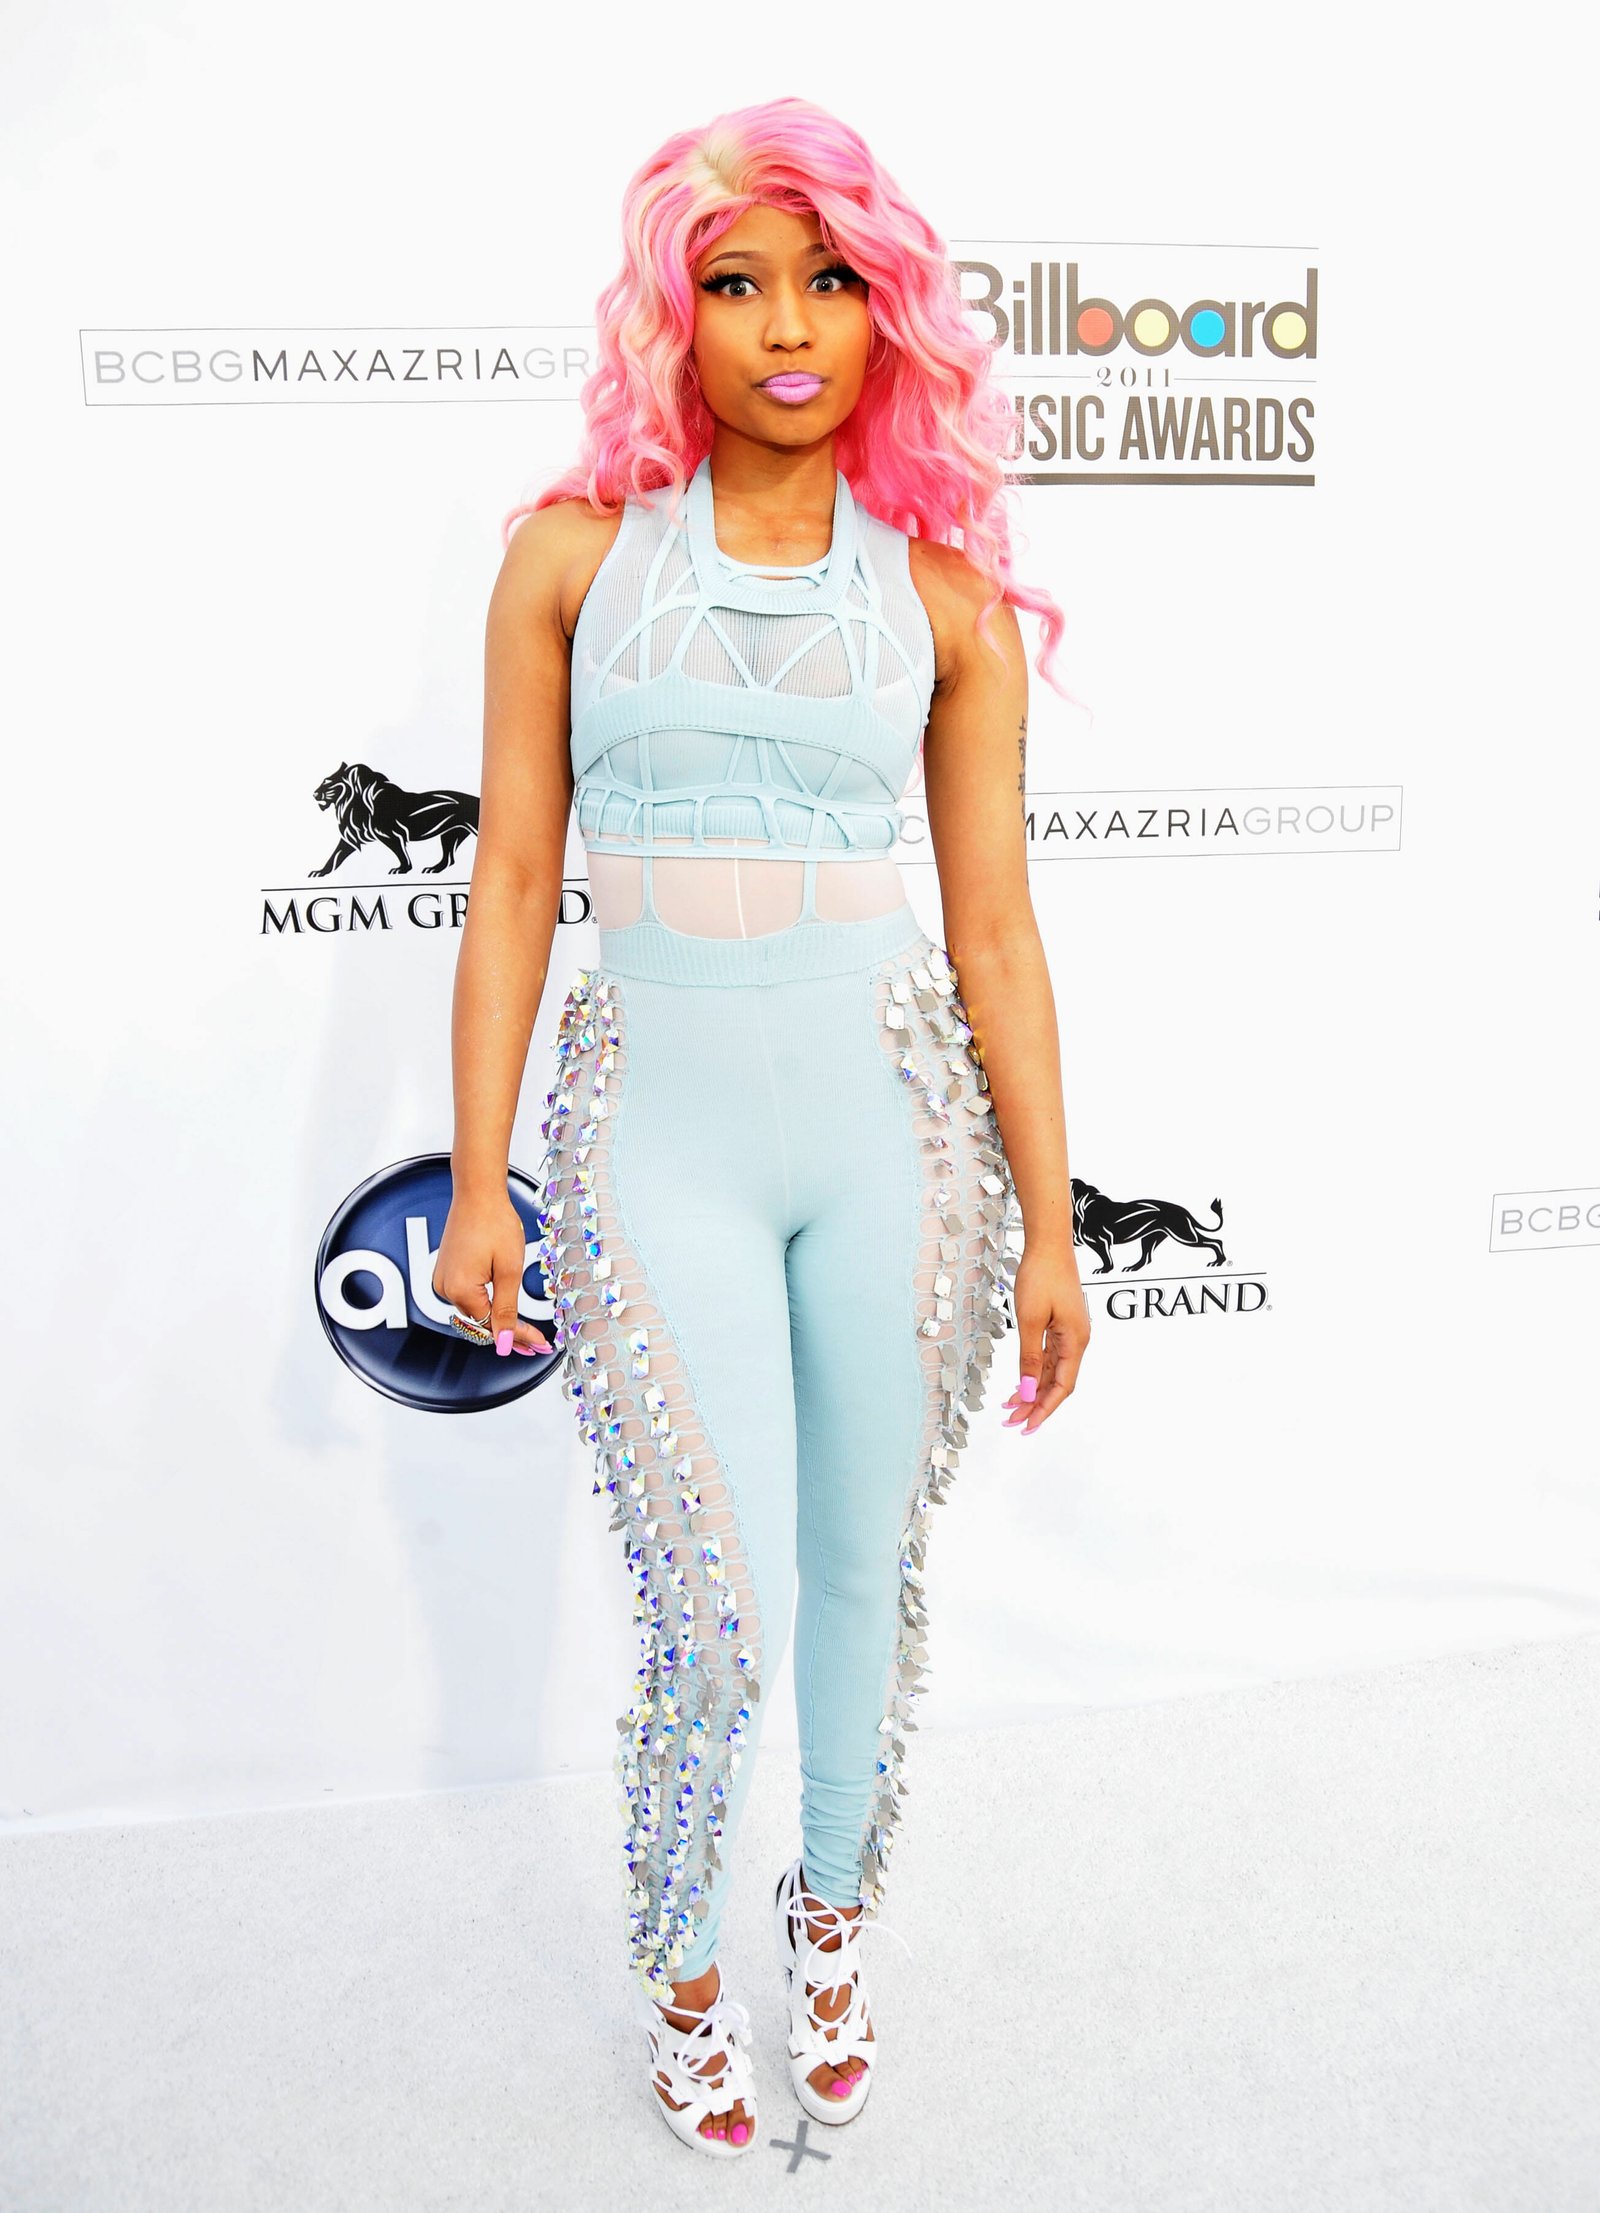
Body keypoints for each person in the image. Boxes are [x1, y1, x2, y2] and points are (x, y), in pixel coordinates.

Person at [433, 96, 1091, 2160]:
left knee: (861, 1576)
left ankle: (828, 1922)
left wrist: (1053, 1221)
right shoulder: (567, 562)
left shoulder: (948, 604)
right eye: (736, 283)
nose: (786, 325)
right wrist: (478, 1170)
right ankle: (683, 1971)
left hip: (895, 1129)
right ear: (675, 313)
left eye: (830, 282)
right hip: (654, 1128)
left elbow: (994, 928)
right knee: (709, 1611)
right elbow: (512, 882)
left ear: (888, 315)